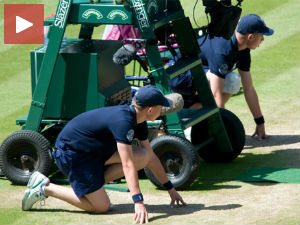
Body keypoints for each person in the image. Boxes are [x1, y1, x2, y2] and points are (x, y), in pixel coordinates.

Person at [21, 85, 186, 224]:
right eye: (161, 106)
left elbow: (150, 157)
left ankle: (93, 188)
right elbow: (127, 164)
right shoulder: (124, 121)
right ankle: (45, 187)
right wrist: (138, 202)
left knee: (143, 156)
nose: (163, 109)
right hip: (73, 155)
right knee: (101, 207)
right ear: (150, 109)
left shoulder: (139, 120)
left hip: (94, 152)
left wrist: (170, 189)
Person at [169, 14, 274, 140]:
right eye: (261, 35)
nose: (262, 39)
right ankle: (198, 121)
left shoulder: (244, 50)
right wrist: (222, 133)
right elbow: (216, 96)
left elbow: (249, 88)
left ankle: (198, 115)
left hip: (200, 70)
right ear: (250, 37)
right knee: (225, 81)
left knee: (232, 80)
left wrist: (260, 122)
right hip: (179, 76)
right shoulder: (222, 51)